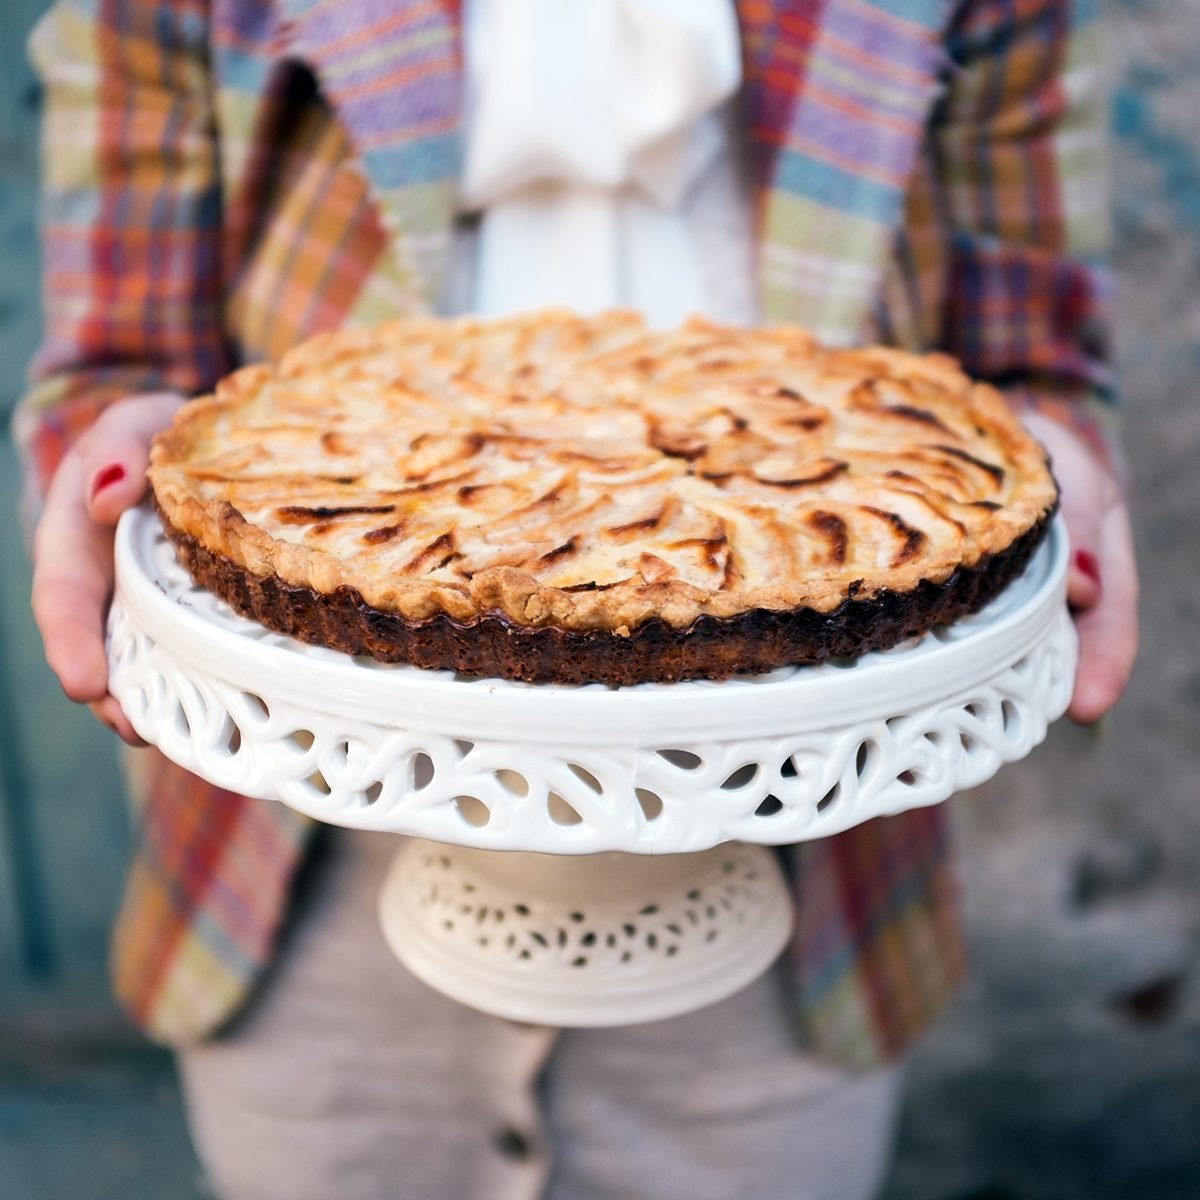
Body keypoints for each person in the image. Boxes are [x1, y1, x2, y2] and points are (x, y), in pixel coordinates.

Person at [16, 1, 1138, 1198]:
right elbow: (117, 359)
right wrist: (110, 452)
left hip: (813, 872)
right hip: (296, 870)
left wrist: (1057, 451)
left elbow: (1030, 366)